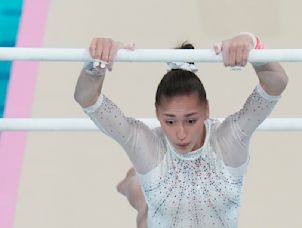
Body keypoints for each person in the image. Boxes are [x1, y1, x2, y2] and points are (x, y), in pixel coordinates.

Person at [74, 32, 288, 228]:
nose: (181, 134)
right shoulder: (146, 145)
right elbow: (87, 97)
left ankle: (137, 184)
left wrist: (251, 42)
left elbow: (276, 83)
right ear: (157, 115)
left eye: (191, 120)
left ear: (206, 111)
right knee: (143, 200)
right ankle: (135, 184)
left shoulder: (229, 139)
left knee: (143, 199)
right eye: (170, 121)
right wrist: (98, 61)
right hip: (158, 188)